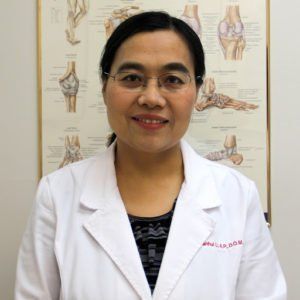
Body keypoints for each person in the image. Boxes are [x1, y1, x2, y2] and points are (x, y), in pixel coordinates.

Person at [15, 11, 286, 300]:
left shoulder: (237, 196)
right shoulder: (56, 196)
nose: (152, 98)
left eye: (172, 80)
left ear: (196, 90)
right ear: (105, 86)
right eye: (132, 77)